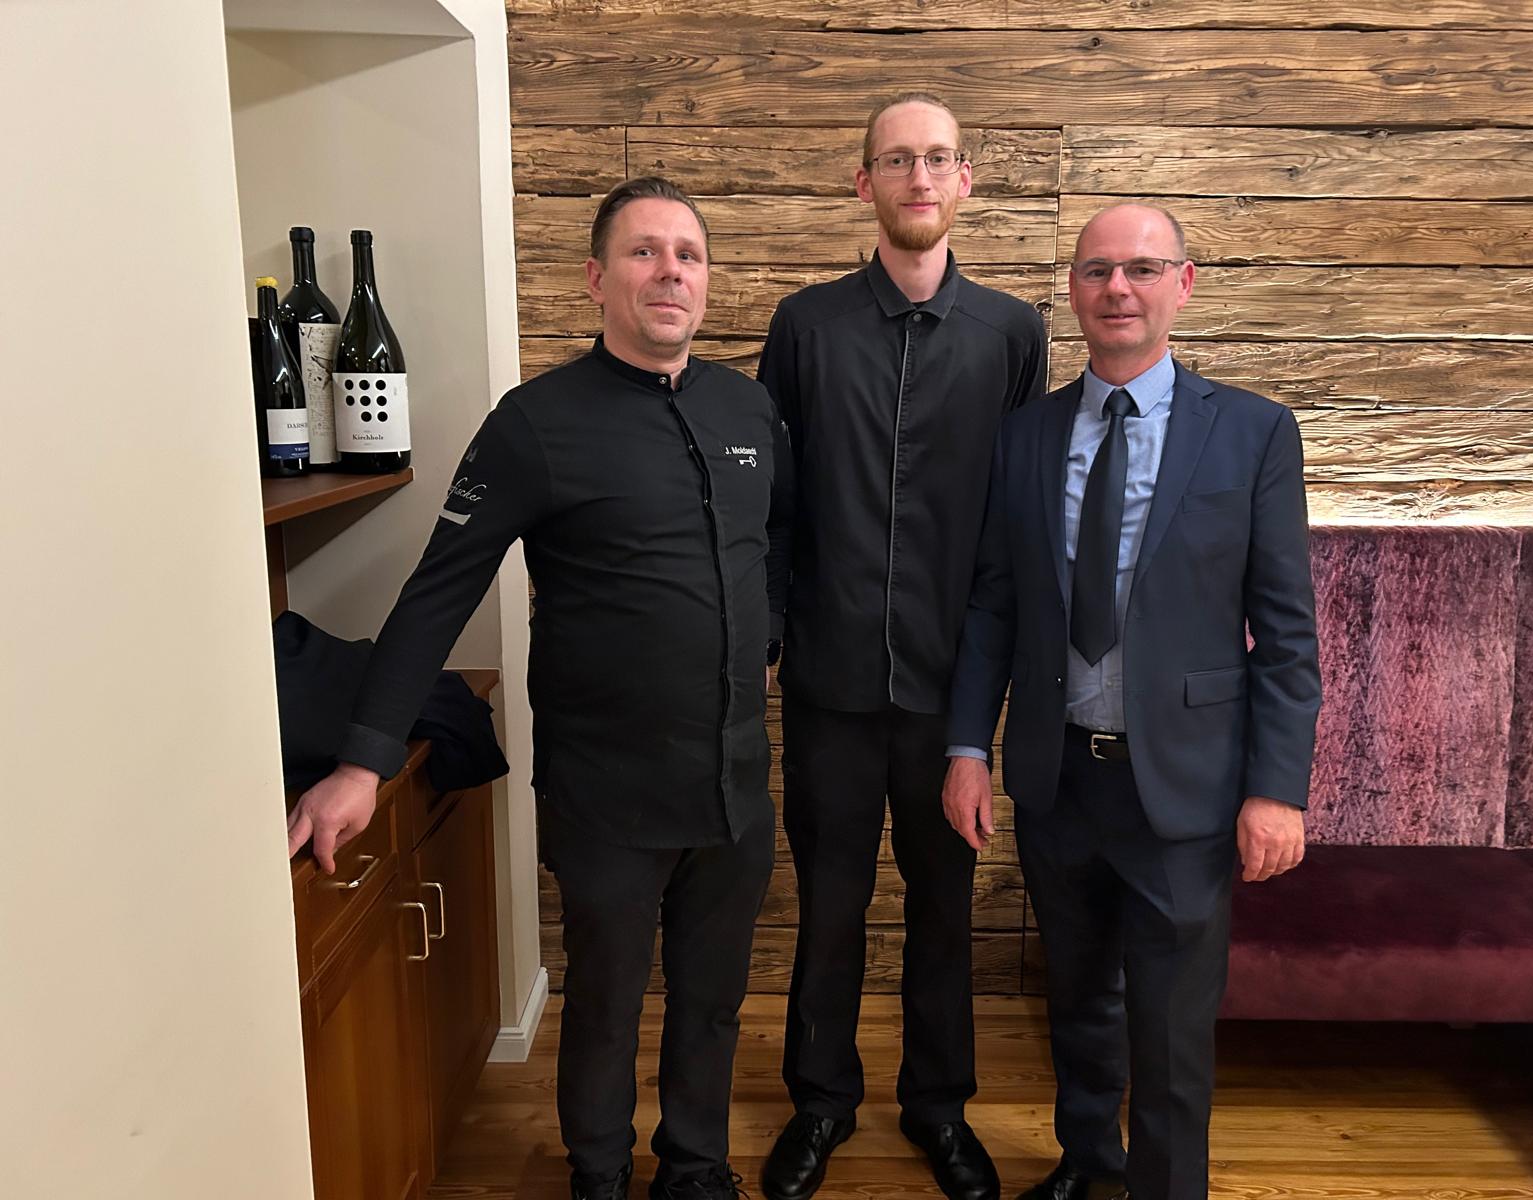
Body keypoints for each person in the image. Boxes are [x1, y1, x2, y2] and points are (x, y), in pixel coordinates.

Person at [286, 177, 792, 1200]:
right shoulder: (534, 423)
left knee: (711, 1000)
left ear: (706, 281)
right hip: (605, 790)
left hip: (735, 780)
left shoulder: (749, 408)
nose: (670, 273)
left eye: (688, 255)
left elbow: (774, 544)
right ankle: (598, 1174)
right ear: (596, 279)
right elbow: (437, 593)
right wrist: (362, 763)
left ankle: (695, 1169)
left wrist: (765, 633)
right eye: (644, 252)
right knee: (605, 1001)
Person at [943, 203, 1321, 1200]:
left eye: (1142, 268)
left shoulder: (1252, 433)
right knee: (1077, 1005)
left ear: (1181, 285)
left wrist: (1277, 789)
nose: (1118, 288)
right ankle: (1088, 1166)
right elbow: (993, 605)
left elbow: (1287, 635)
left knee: (1171, 1032)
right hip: (1059, 778)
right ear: (1072, 291)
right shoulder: (1024, 437)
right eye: (1097, 270)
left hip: (1187, 791)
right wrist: (967, 747)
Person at [756, 93, 1047, 1200]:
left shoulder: (1012, 333)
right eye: (895, 160)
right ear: (864, 181)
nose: (917, 178)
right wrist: (773, 635)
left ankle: (939, 1109)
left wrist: (993, 688)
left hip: (950, 695)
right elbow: (776, 503)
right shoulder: (804, 325)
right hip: (828, 684)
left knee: (943, 911)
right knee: (828, 906)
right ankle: (820, 1105)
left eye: (936, 159)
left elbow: (1013, 523)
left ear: (963, 179)